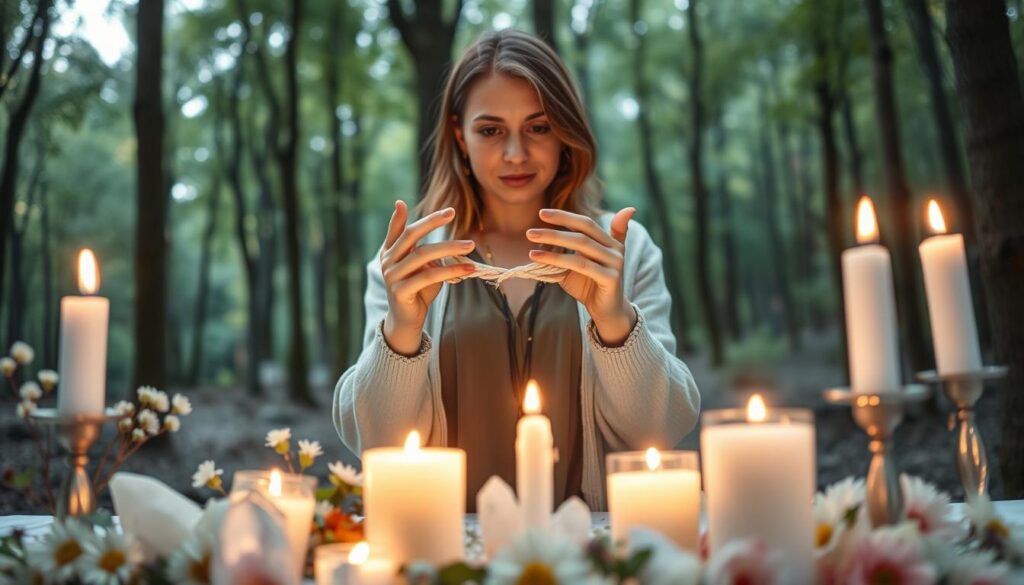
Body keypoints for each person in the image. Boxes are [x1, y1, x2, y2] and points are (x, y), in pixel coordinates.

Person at [333, 29, 699, 511]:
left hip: (592, 552)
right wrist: (401, 330)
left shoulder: (622, 252)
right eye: (490, 130)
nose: (515, 154)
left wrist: (615, 322)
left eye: (538, 127)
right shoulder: (411, 263)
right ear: (458, 135)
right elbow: (376, 442)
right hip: (452, 555)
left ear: (566, 133)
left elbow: (663, 426)